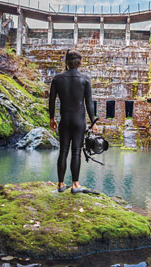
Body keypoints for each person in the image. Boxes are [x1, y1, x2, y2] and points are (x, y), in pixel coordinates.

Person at [49, 50, 98, 193]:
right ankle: (75, 185)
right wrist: (93, 122)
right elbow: (89, 103)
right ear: (79, 63)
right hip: (79, 121)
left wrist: (52, 118)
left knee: (63, 151)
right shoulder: (85, 79)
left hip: (64, 121)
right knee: (76, 152)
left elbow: (51, 100)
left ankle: (60, 184)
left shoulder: (57, 79)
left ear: (67, 63)